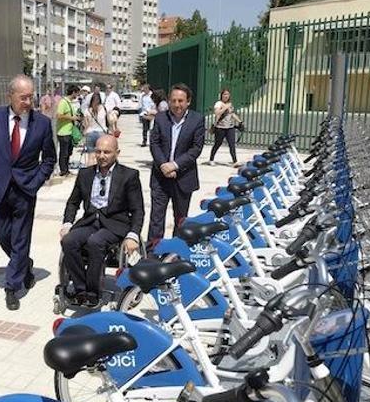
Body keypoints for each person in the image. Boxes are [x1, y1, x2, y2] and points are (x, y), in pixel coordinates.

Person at [0, 75, 57, 311]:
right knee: (3, 236)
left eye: (31, 96)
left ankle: (12, 287)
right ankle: (24, 265)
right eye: (23, 97)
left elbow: (49, 159)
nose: (28, 102)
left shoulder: (41, 123)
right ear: (9, 96)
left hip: (25, 190)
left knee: (21, 238)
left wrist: (37, 180)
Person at [60, 134, 144, 307]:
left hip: (115, 224)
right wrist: (67, 223)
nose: (101, 156)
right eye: (98, 151)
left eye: (107, 152)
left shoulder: (129, 175)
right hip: (90, 221)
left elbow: (137, 209)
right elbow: (73, 202)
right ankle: (80, 288)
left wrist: (133, 234)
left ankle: (93, 292)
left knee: (95, 241)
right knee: (69, 241)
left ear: (117, 153)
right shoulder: (85, 174)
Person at [146, 83, 205, 245]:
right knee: (157, 218)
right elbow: (154, 144)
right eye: (173, 100)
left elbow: (196, 149)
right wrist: (164, 165)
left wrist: (175, 165)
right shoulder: (160, 118)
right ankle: (153, 252)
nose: (177, 105)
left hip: (183, 177)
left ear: (188, 102)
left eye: (181, 100)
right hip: (160, 176)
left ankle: (175, 252)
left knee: (180, 219)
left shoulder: (197, 120)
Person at [208, 88, 239, 166]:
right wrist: (225, 107)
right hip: (220, 128)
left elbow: (232, 114)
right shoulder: (218, 103)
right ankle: (211, 159)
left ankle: (235, 161)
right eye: (224, 94)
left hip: (230, 127)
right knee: (217, 144)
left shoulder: (230, 104)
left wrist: (240, 121)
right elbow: (217, 113)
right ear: (221, 95)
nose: (226, 96)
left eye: (227, 94)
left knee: (232, 144)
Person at [55, 85, 81, 176]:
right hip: (63, 132)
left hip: (69, 131)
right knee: (64, 153)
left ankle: (66, 169)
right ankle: (63, 170)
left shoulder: (70, 102)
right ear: (73, 92)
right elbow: (59, 115)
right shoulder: (63, 102)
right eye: (77, 93)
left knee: (68, 152)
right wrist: (72, 118)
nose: (78, 95)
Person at [83, 93, 111, 167]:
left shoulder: (87, 110)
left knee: (90, 156)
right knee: (101, 156)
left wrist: (84, 133)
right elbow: (109, 121)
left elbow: (86, 124)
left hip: (90, 133)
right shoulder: (104, 108)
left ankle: (89, 174)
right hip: (102, 133)